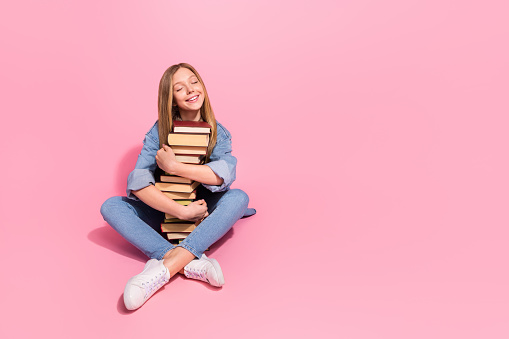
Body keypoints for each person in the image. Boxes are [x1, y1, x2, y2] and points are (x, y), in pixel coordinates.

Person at [100, 63, 255, 310]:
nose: (190, 90)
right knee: (111, 206)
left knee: (239, 198)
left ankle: (162, 270)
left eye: (194, 82)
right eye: (179, 88)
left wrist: (175, 167)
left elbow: (222, 175)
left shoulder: (218, 132)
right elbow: (139, 182)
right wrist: (180, 211)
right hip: (165, 208)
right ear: (171, 99)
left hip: (202, 211)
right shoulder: (159, 131)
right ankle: (191, 262)